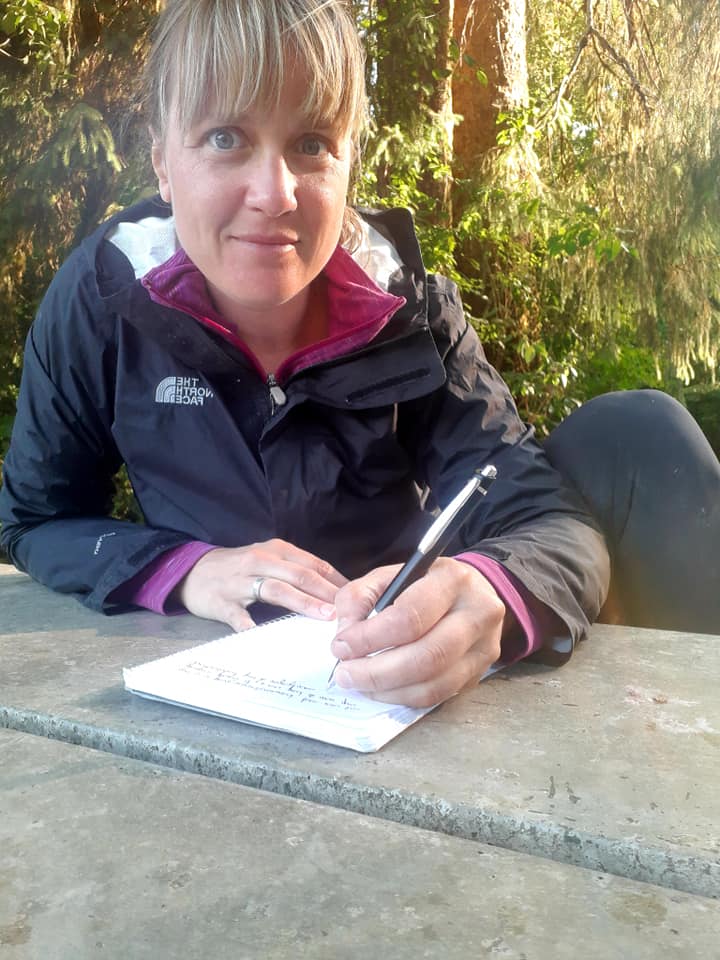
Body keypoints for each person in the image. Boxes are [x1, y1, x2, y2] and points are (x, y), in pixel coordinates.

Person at [1, 0, 718, 710]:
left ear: (350, 163)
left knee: (642, 431)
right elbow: (34, 518)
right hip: (203, 692)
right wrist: (190, 569)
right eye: (224, 138)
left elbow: (548, 520)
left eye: (312, 143)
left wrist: (494, 589)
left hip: (387, 692)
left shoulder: (411, 311)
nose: (274, 194)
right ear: (163, 162)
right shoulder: (103, 299)